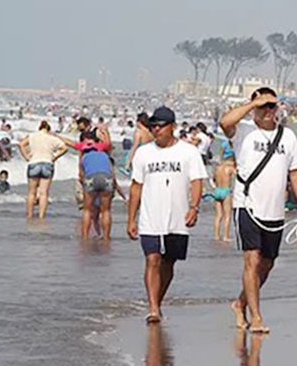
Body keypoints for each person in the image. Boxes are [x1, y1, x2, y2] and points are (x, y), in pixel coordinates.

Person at [220, 87, 297, 334]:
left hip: (275, 211)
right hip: (247, 205)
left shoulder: (287, 137)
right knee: (252, 259)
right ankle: (256, 317)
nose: (268, 110)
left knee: (267, 264)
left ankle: (241, 303)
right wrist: (254, 104)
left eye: (272, 106)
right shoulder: (244, 131)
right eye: (264, 106)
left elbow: (296, 173)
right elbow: (225, 122)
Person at [127, 106, 207, 324]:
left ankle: (158, 301)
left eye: (161, 126)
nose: (156, 129)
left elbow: (197, 181)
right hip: (150, 217)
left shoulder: (188, 152)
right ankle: (153, 308)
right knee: (152, 259)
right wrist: (131, 218)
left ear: (172, 126)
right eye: (153, 126)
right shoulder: (144, 153)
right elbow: (136, 187)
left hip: (178, 218)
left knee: (168, 263)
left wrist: (194, 207)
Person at [19, 121, 68, 220]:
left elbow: (22, 144)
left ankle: (30, 214)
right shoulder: (52, 138)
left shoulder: (33, 136)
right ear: (48, 129)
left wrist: (26, 156)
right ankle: (41, 216)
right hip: (47, 163)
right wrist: (55, 157)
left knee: (32, 192)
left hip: (34, 162)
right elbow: (64, 148)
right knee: (43, 192)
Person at [79, 142, 121, 240]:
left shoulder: (84, 158)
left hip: (91, 178)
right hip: (106, 178)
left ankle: (85, 237)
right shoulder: (105, 155)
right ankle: (106, 237)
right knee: (106, 210)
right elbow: (112, 173)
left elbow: (81, 176)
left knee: (87, 209)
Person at [213, 158, 236, 242]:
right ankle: (225, 236)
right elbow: (239, 177)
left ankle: (216, 235)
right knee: (227, 216)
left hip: (217, 191)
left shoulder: (218, 169)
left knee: (218, 215)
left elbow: (214, 179)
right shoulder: (230, 168)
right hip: (226, 191)